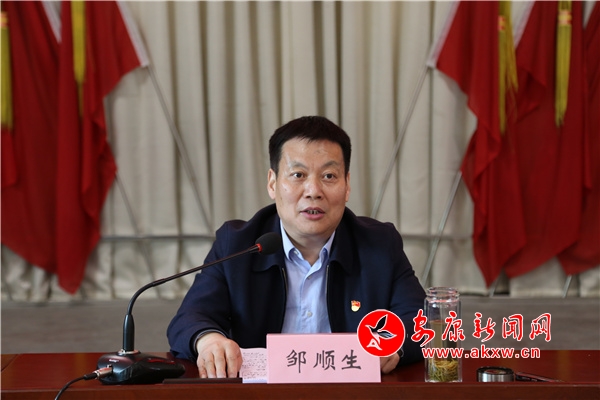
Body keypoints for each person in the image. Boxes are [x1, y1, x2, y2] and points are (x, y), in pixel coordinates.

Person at [167, 115, 426, 378]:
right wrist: (208, 340)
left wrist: (394, 345)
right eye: (298, 175)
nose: (313, 191)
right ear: (273, 183)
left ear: (347, 185)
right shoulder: (238, 244)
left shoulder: (379, 244)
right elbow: (191, 317)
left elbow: (420, 319)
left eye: (329, 176)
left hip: (350, 392)